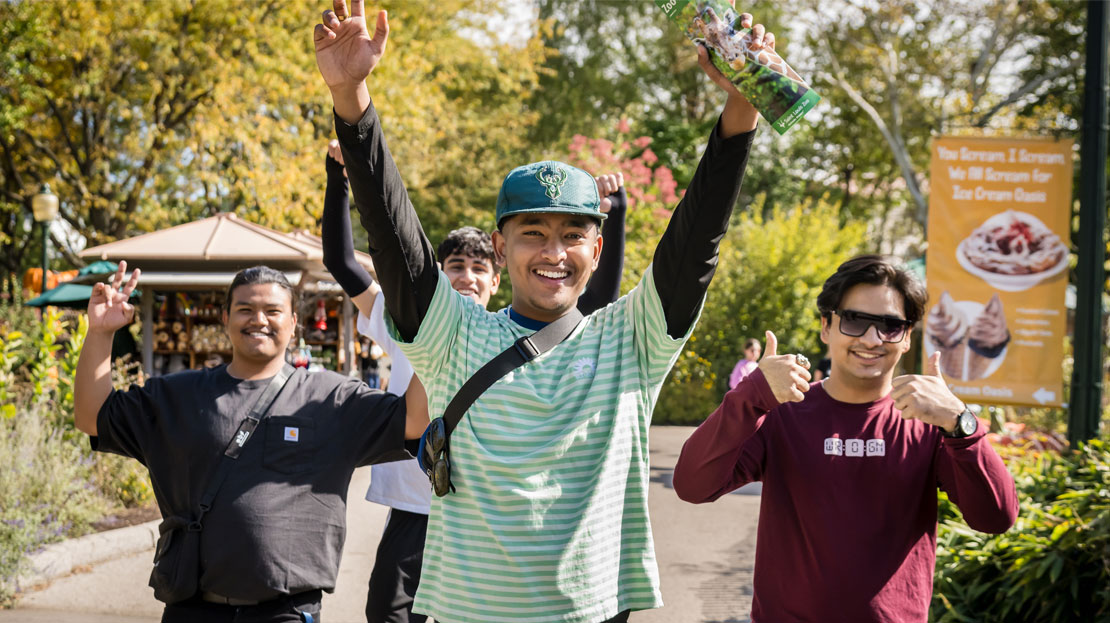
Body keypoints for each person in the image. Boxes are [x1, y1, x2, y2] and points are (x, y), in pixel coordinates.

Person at [314, 2, 763, 620]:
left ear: (597, 248)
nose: (554, 253)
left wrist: (742, 106)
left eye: (573, 235)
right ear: (500, 246)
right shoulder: (454, 336)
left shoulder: (631, 339)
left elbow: (696, 240)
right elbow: (394, 237)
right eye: (532, 233)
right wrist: (352, 98)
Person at [320, 140, 628, 623]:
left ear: (498, 272)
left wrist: (615, 215)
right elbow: (344, 263)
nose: (467, 276)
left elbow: (595, 306)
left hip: (481, 524)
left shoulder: (526, 335)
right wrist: (338, 182)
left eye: (478, 267)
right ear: (438, 275)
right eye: (455, 267)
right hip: (413, 508)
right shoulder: (416, 320)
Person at [73, 262, 429, 623]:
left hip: (287, 612)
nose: (259, 319)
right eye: (245, 309)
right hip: (190, 609)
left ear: (293, 324)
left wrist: (434, 335)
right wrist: (100, 333)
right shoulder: (177, 397)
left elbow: (415, 420)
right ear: (225, 318)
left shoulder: (333, 400)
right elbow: (92, 417)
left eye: (273, 311)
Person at [672, 255, 1018, 623]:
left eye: (890, 326)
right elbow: (693, 485)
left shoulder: (932, 423)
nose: (872, 339)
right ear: (826, 326)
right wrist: (750, 395)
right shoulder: (782, 413)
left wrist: (959, 422)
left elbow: (996, 517)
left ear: (906, 338)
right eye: (854, 321)